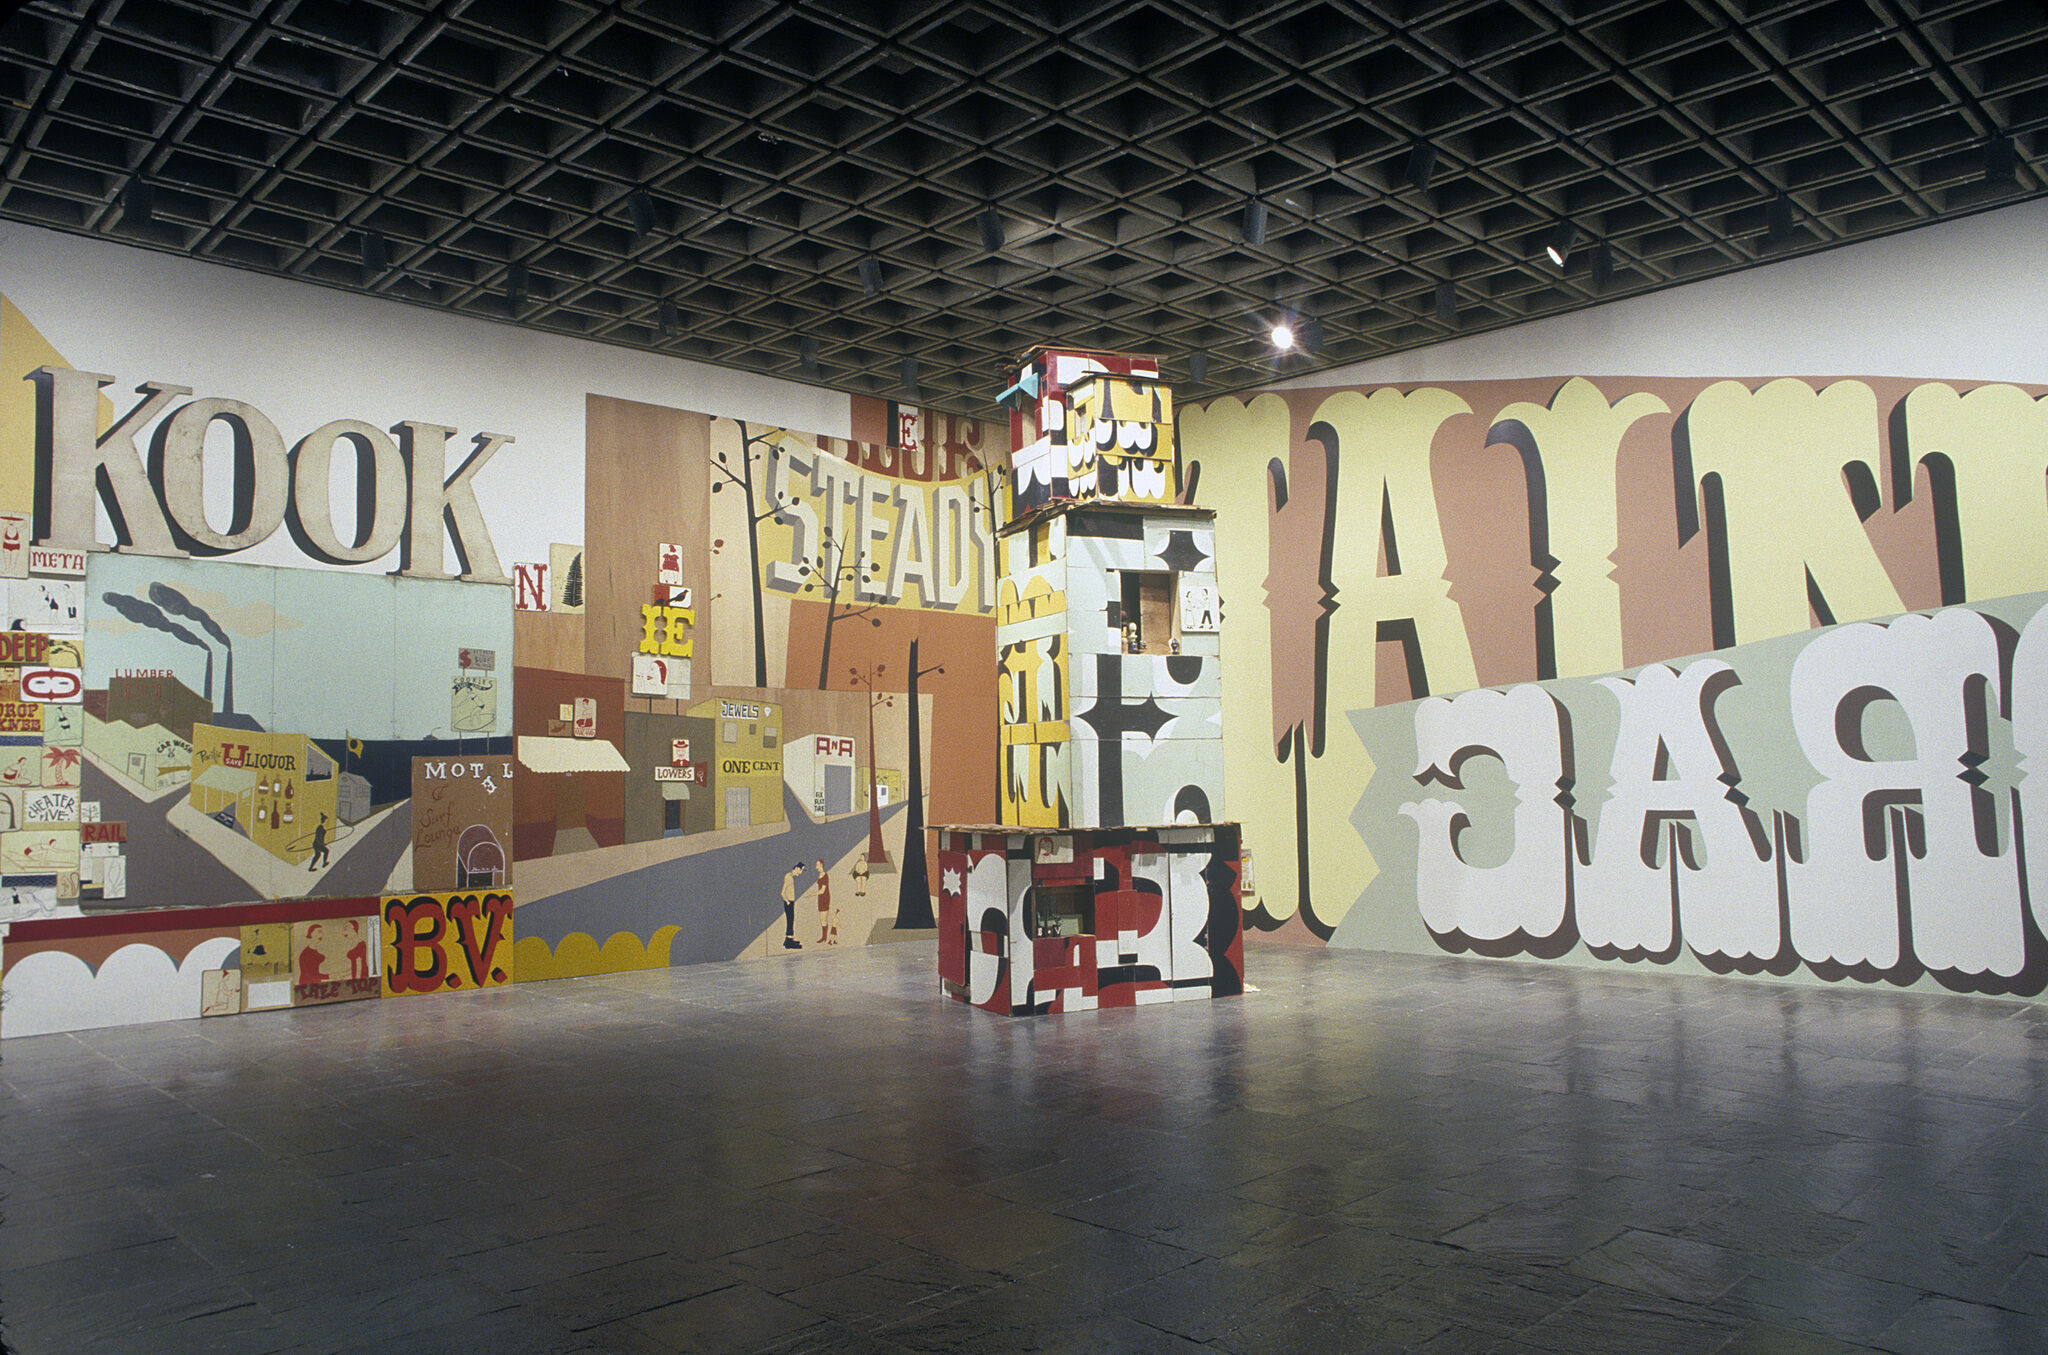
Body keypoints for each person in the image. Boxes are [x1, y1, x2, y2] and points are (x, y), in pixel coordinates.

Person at [781, 862, 804, 949]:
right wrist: (787, 901)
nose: (800, 872)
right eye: (800, 870)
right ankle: (789, 941)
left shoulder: (790, 877)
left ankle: (789, 939)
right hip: (789, 902)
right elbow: (783, 892)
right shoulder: (789, 878)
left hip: (790, 902)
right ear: (796, 868)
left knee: (791, 920)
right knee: (790, 920)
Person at [815, 857, 835, 945]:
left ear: (821, 865)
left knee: (823, 918)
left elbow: (822, 890)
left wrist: (811, 894)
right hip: (820, 898)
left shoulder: (825, 875)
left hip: (824, 898)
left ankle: (824, 937)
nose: (816, 866)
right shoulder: (820, 875)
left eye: (817, 864)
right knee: (821, 918)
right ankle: (824, 936)